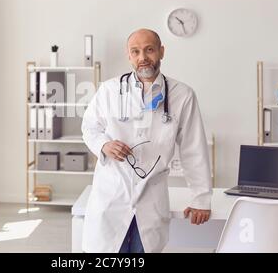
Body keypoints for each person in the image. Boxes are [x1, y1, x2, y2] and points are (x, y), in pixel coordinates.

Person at [81, 29, 213, 253]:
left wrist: (201, 199)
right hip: (112, 197)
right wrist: (104, 144)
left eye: (149, 50)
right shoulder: (109, 90)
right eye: (136, 51)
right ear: (129, 56)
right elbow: (90, 127)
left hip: (151, 201)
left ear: (161, 52)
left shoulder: (182, 95)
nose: (143, 57)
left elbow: (193, 149)